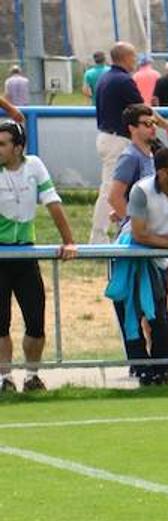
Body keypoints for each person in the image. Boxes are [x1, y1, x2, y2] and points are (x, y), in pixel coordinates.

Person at [109, 147, 168, 385]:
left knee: (159, 312)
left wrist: (160, 240)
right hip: (131, 253)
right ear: (161, 172)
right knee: (129, 309)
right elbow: (138, 235)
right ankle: (139, 366)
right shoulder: (141, 190)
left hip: (159, 257)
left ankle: (161, 368)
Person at [0, 119, 77, 393]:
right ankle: (4, 379)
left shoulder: (34, 165)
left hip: (25, 254)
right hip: (0, 257)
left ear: (18, 148)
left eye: (2, 144)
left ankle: (32, 376)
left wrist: (68, 241)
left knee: (36, 322)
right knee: (1, 324)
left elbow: (53, 203)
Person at [92, 42, 168, 243]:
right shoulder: (124, 81)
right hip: (117, 139)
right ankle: (102, 238)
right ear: (125, 58)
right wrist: (166, 126)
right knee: (112, 191)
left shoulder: (105, 77)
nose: (135, 60)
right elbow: (143, 109)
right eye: (133, 56)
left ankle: (113, 231)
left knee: (111, 189)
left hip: (106, 135)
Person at [108, 105, 158, 237]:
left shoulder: (151, 155)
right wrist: (134, 223)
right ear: (132, 128)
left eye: (154, 123)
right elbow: (114, 197)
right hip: (136, 237)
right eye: (147, 124)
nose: (153, 127)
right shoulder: (130, 157)